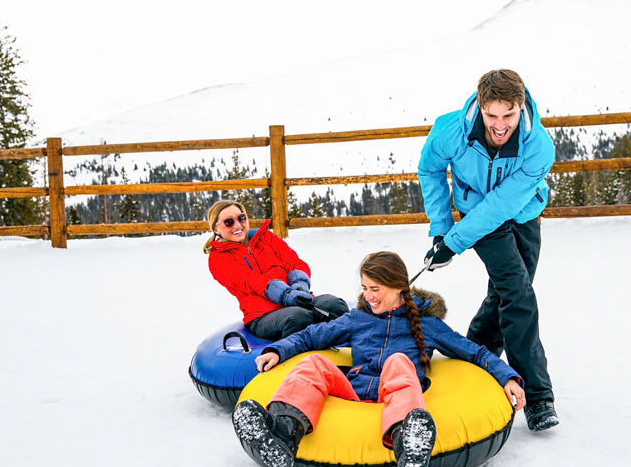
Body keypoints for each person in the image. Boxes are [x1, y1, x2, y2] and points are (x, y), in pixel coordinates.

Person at [231, 251, 525, 467]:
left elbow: (473, 351)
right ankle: (282, 435)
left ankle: (408, 443)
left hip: (398, 397)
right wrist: (276, 350)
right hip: (354, 393)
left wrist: (508, 377)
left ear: (398, 287)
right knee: (313, 364)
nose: (369, 297)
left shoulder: (426, 325)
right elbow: (311, 336)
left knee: (398, 360)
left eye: (376, 289)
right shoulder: (357, 320)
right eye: (364, 288)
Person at [417, 68, 559, 431]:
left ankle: (475, 356)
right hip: (475, 217)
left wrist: (453, 242)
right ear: (479, 106)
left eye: (508, 116)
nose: (499, 125)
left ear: (521, 107)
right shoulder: (450, 130)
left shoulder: (538, 145)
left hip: (523, 212)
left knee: (505, 293)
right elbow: (430, 170)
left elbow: (501, 205)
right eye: (491, 115)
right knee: (517, 291)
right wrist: (441, 228)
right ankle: (538, 396)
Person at [204, 199, 348, 340]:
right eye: (228, 222)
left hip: (298, 301)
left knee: (334, 305)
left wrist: (299, 286)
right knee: (298, 318)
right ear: (216, 228)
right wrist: (285, 294)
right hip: (261, 316)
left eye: (241, 218)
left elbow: (294, 262)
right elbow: (251, 282)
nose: (237, 225)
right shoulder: (218, 258)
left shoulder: (266, 238)